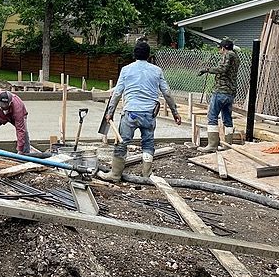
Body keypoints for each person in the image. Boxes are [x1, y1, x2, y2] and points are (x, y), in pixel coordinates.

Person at [100, 40, 181, 182]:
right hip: (149, 114)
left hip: (130, 113)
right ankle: (146, 175)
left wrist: (110, 112)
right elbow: (167, 93)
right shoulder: (157, 71)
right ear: (149, 55)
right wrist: (175, 112)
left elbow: (117, 93)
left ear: (134, 54)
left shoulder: (126, 70)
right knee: (148, 143)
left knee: (122, 143)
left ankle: (115, 174)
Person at [198, 38, 240, 152]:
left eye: (220, 48)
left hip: (221, 91)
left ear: (224, 48)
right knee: (227, 118)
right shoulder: (236, 56)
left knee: (212, 117)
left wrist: (207, 70)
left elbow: (222, 68)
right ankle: (227, 145)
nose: (219, 51)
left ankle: (212, 145)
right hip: (231, 92)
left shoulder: (228, 55)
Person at [0, 90, 33, 155]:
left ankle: (24, 153)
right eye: (1, 105)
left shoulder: (18, 109)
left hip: (15, 115)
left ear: (10, 103)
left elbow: (20, 130)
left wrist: (20, 149)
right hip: (1, 114)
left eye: (4, 106)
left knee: (23, 132)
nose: (2, 107)